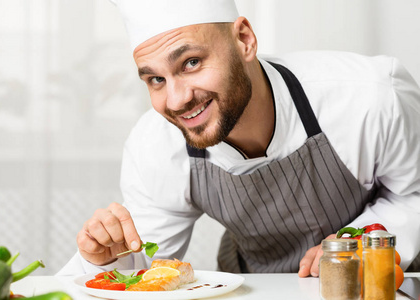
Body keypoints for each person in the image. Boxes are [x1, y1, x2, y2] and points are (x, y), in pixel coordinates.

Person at [58, 0, 420, 276]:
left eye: (191, 63)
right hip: (253, 285)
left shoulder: (370, 98)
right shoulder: (157, 145)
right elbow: (143, 263)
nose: (176, 99)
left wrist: (360, 242)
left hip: (382, 285)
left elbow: (414, 194)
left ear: (244, 39)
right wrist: (105, 260)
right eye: (156, 79)